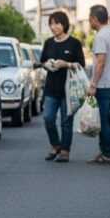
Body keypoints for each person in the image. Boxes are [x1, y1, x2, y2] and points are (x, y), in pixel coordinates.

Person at [39, 11, 85, 163]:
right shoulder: (48, 43)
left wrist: (67, 64)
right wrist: (48, 65)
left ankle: (65, 150)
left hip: (69, 89)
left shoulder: (74, 43)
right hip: (51, 88)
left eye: (56, 23)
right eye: (51, 24)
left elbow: (81, 64)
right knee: (48, 118)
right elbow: (43, 62)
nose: (53, 27)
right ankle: (55, 145)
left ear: (64, 24)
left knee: (66, 121)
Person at [85, 4, 110, 165]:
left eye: (89, 19)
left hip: (105, 84)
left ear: (95, 19)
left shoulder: (101, 36)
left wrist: (93, 84)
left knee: (103, 119)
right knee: (105, 118)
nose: (89, 22)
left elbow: (100, 62)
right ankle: (105, 152)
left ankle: (107, 153)